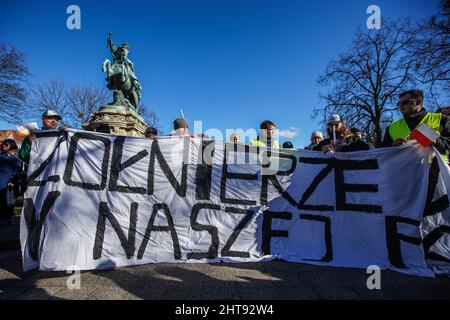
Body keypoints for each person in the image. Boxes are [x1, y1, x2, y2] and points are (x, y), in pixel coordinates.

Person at [380, 90, 450, 159]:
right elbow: (382, 152)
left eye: (405, 102)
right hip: (404, 169)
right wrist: (393, 146)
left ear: (418, 101)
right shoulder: (392, 127)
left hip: (437, 168)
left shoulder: (441, 119)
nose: (401, 106)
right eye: (399, 103)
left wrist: (436, 141)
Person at [0, 139, 21, 226]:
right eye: (3, 144)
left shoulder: (14, 159)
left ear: (11, 146)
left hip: (7, 182)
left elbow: (16, 171)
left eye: (6, 144)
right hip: (1, 180)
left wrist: (11, 181)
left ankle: (8, 218)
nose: (3, 146)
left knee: (9, 202)